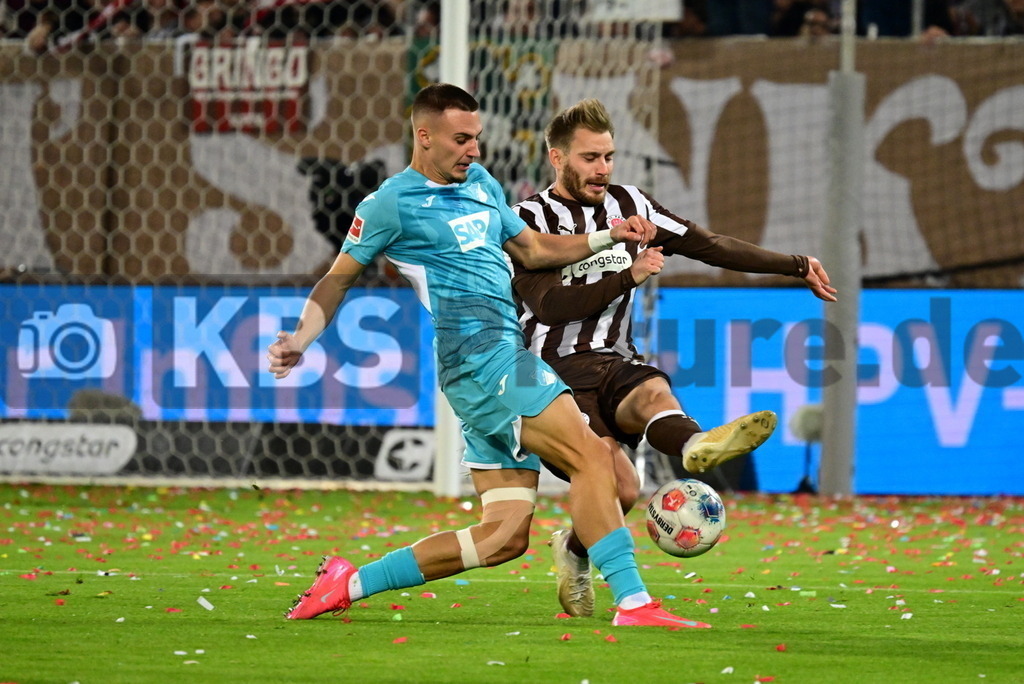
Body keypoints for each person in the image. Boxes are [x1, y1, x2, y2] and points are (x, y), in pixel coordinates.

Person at [267, 83, 746, 628]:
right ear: (424, 137)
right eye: (461, 139)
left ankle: (348, 582)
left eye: (477, 138)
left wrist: (608, 236)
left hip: (495, 361)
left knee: (502, 539)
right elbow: (338, 279)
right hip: (483, 359)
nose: (474, 150)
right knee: (594, 458)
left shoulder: (482, 184)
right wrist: (299, 340)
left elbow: (533, 249)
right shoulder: (389, 205)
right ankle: (635, 604)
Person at [508, 99, 837, 617]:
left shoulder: (631, 203)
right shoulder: (527, 222)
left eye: (610, 157)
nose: (603, 169)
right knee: (622, 489)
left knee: (653, 391)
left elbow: (709, 244)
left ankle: (694, 445)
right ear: (557, 157)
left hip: (613, 361)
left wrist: (796, 264)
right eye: (591, 157)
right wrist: (629, 275)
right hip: (550, 378)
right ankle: (575, 550)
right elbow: (549, 307)